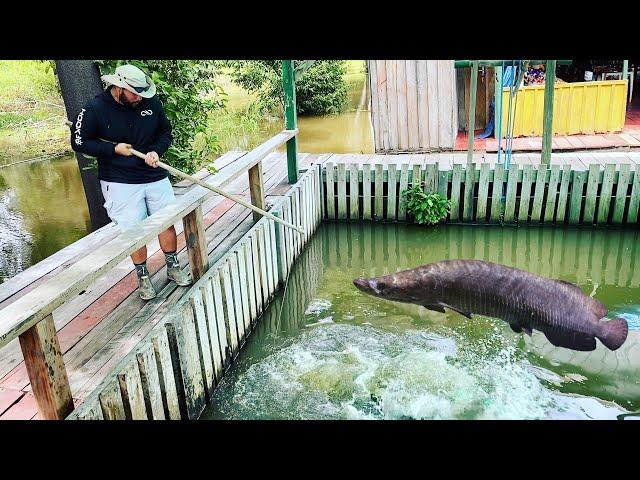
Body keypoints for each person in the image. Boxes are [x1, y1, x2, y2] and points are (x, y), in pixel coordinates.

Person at [71, 64, 192, 300]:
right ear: (119, 87)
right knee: (134, 231)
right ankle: (143, 277)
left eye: (141, 93)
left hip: (154, 175)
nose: (138, 98)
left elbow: (165, 132)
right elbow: (79, 141)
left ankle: (172, 267)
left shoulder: (150, 103)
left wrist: (157, 151)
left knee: (166, 223)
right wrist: (112, 148)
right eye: (134, 93)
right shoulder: (95, 108)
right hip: (120, 181)